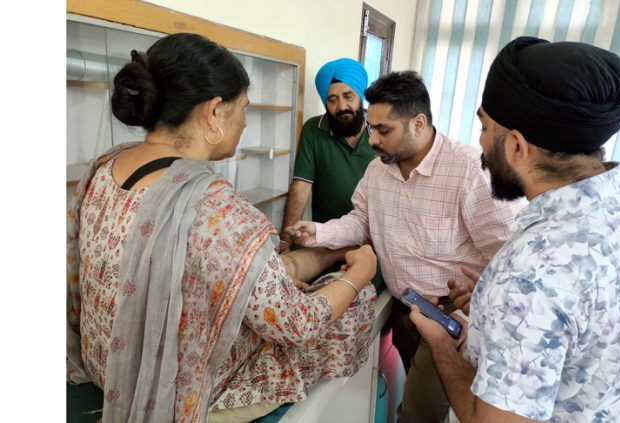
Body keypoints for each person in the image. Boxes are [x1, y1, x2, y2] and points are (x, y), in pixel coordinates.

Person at [66, 33, 378, 423]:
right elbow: (297, 324)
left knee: (294, 274)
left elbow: (180, 270)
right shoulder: (218, 209)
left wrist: (296, 262)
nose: (246, 122)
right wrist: (360, 273)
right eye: (243, 108)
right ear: (214, 112)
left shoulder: (104, 166)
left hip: (108, 366)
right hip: (170, 390)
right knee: (358, 300)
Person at [409, 36, 620, 422]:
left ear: (516, 146)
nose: (479, 143)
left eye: (484, 127)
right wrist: (489, 314)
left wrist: (440, 341)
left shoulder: (531, 276)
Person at [289, 70, 524, 423]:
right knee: (425, 404)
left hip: (450, 316)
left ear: (418, 123)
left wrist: (468, 313)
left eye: (385, 130)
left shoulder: (468, 171)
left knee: (418, 413)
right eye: (372, 127)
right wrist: (320, 233)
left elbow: (509, 253)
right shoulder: (378, 170)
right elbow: (360, 222)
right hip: (406, 308)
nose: (373, 140)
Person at [278, 58, 375, 254]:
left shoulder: (382, 133)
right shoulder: (314, 130)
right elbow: (301, 187)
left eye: (348, 96)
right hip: (322, 240)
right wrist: (285, 241)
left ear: (361, 96)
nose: (341, 106)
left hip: (370, 244)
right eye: (332, 99)